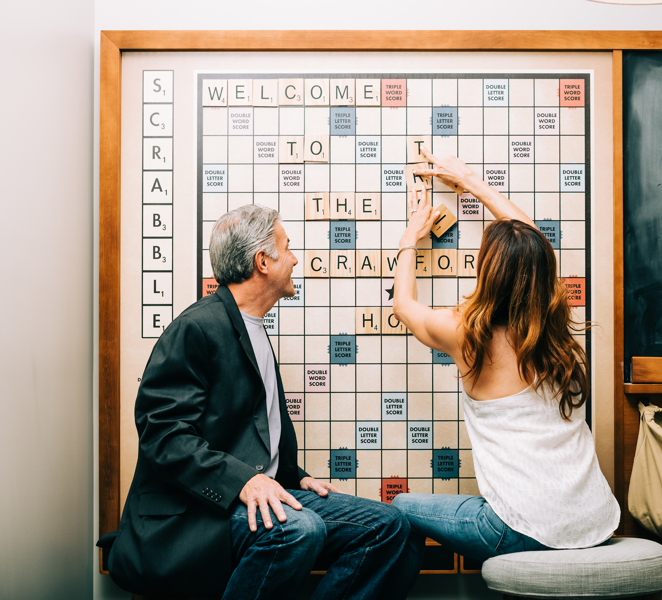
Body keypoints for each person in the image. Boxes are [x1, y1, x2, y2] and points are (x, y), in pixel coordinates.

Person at [105, 205, 423, 599]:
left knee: (391, 527)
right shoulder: (196, 327)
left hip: (252, 494)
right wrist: (245, 480)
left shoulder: (251, 325)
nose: (294, 259)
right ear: (262, 262)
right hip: (197, 512)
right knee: (297, 529)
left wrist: (291, 475)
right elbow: (163, 436)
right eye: (287, 248)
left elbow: (249, 432)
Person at [391, 149, 620, 562]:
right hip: (595, 525)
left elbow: (404, 306)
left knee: (400, 509)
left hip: (518, 532)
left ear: (486, 272)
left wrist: (410, 237)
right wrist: (472, 181)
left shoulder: (467, 334)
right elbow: (532, 244)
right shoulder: (555, 327)